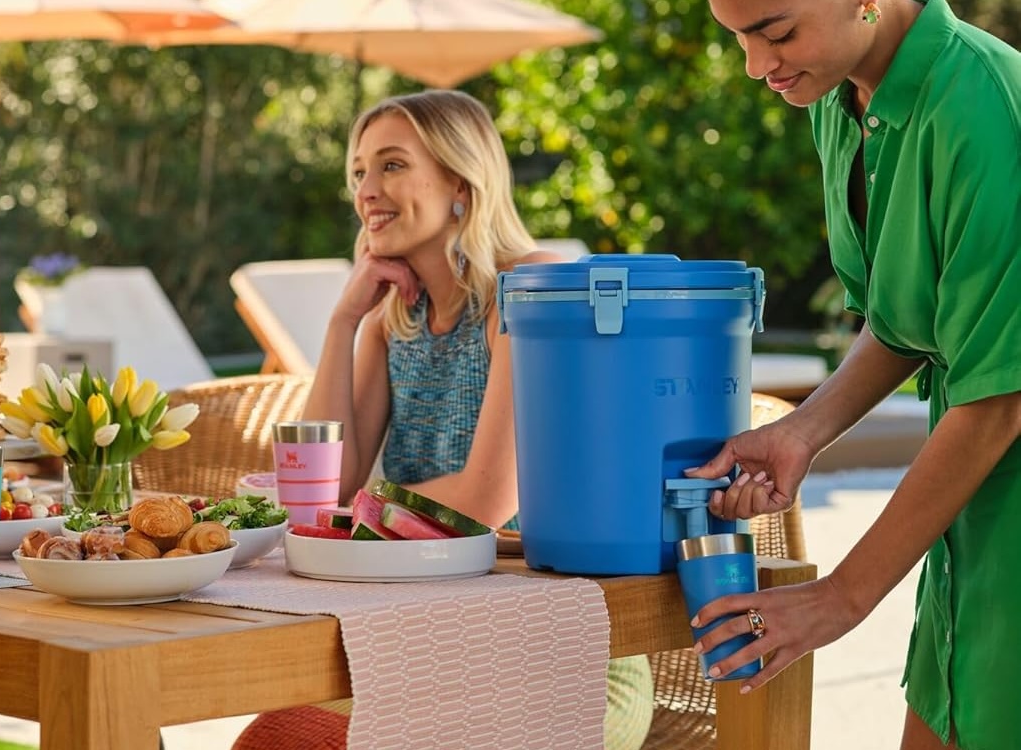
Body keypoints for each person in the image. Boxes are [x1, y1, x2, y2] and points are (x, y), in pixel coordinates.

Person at [234, 90, 653, 750]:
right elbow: (316, 492)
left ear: (462, 181)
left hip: (562, 653)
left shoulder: (532, 291)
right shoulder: (389, 322)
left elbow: (486, 499)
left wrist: (347, 518)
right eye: (359, 172)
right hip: (429, 640)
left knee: (297, 739)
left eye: (393, 166)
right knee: (277, 736)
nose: (367, 191)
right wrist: (344, 322)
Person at [686, 1, 1020, 748]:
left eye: (774, 32)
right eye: (737, 37)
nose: (754, 66)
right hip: (969, 518)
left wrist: (840, 597)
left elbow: (1001, 397)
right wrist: (802, 432)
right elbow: (907, 318)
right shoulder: (837, 98)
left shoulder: (988, 109)